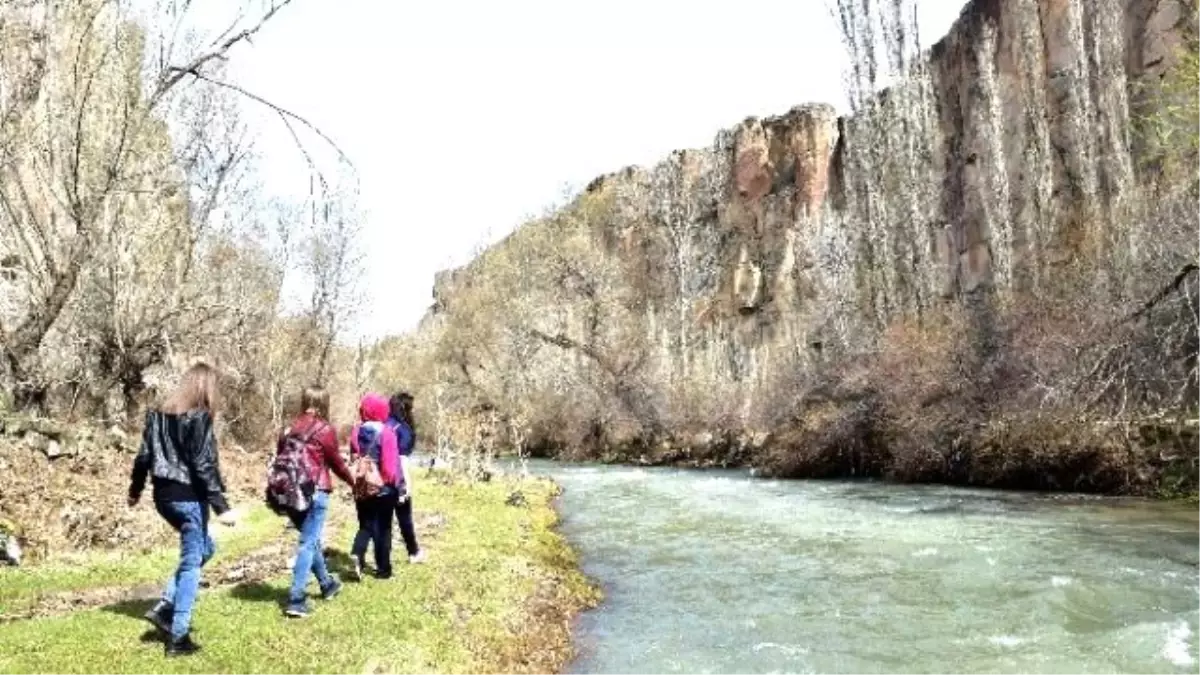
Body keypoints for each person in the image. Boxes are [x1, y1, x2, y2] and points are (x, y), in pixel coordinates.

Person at [128, 362, 234, 657]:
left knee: (205, 549)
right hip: (189, 498)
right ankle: (178, 637)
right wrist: (221, 507)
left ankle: (165, 606)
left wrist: (135, 491)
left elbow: (143, 457)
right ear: (207, 389)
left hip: (164, 499)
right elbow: (202, 464)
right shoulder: (199, 417)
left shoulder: (158, 416)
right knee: (191, 564)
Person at [280, 385, 354, 618]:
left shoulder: (287, 428)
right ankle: (296, 599)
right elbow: (336, 463)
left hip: (290, 493)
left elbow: (282, 460)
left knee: (311, 542)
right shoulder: (324, 429)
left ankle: (327, 584)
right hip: (314, 491)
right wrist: (353, 481)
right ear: (323, 403)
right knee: (307, 543)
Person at [348, 393, 403, 580]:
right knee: (384, 529)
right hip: (383, 488)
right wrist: (392, 484)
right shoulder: (387, 433)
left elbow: (354, 457)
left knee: (366, 524)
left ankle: (358, 554)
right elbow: (390, 466)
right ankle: (383, 570)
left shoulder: (356, 431)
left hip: (362, 486)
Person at [387, 392, 425, 564]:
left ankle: (376, 556)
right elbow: (402, 458)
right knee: (404, 517)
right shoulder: (403, 429)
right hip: (397, 476)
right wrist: (406, 484)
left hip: (378, 478)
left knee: (380, 520)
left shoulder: (383, 424)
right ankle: (413, 552)